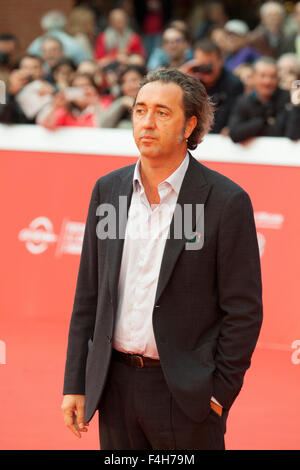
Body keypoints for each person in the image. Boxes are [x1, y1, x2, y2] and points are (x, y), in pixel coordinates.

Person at [61, 68, 263, 450]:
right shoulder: (111, 191)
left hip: (186, 395)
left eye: (162, 112)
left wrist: (218, 394)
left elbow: (243, 310)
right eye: (140, 110)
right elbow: (89, 293)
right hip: (114, 388)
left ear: (189, 125)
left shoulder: (224, 201)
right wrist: (76, 382)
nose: (147, 122)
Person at [228, 57, 300, 143]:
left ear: (278, 78)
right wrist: (263, 122)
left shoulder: (288, 99)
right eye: (263, 76)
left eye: (272, 76)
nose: (267, 81)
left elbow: (293, 135)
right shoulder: (243, 101)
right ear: (253, 78)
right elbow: (234, 134)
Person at [180, 39, 244, 134]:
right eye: (202, 65)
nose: (206, 70)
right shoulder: (191, 82)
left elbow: (227, 120)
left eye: (209, 65)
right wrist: (182, 76)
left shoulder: (233, 84)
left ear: (221, 61)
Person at [99, 64, 146, 129]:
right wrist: (121, 103)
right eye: (124, 82)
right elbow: (103, 125)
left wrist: (134, 107)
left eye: (134, 80)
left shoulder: (153, 102)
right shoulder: (120, 102)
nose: (129, 85)